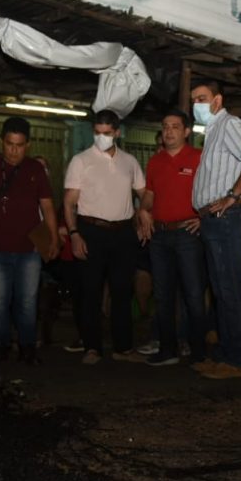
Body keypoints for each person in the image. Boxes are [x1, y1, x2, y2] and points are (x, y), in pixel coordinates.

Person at [189, 79, 241, 379]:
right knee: (221, 290)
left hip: (228, 217)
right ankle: (224, 354)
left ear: (217, 100)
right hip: (215, 218)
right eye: (194, 99)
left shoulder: (229, 124)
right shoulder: (212, 132)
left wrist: (233, 195)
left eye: (202, 98)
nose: (196, 104)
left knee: (230, 289)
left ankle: (236, 360)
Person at [0, 117, 59, 365]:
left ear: (28, 145)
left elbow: (47, 206)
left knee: (27, 302)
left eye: (19, 145)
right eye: (9, 144)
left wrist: (53, 238)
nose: (13, 151)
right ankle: (0, 346)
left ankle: (27, 347)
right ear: (2, 142)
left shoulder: (35, 169)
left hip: (29, 249)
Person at [63, 109, 146, 365]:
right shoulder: (81, 160)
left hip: (123, 233)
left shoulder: (129, 162)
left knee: (122, 291)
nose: (102, 137)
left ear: (117, 133)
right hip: (91, 230)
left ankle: (123, 347)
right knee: (91, 291)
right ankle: (92, 347)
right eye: (98, 133)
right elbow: (69, 202)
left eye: (107, 133)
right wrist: (74, 234)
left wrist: (144, 215)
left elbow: (144, 193)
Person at [137, 109, 207, 367]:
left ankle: (198, 351)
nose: (169, 131)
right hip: (160, 235)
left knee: (193, 294)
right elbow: (150, 194)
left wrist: (204, 218)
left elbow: (213, 192)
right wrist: (143, 210)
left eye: (175, 126)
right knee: (163, 295)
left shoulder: (199, 158)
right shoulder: (155, 161)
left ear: (187, 131)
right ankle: (168, 349)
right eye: (165, 126)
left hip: (187, 234)